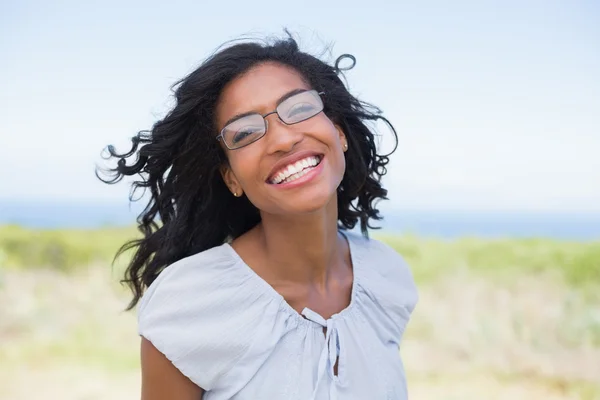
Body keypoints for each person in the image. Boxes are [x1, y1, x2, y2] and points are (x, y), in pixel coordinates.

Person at [99, 33, 418, 400]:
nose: (283, 140)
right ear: (231, 176)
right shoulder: (189, 305)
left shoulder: (386, 280)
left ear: (339, 132)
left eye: (299, 109)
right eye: (245, 132)